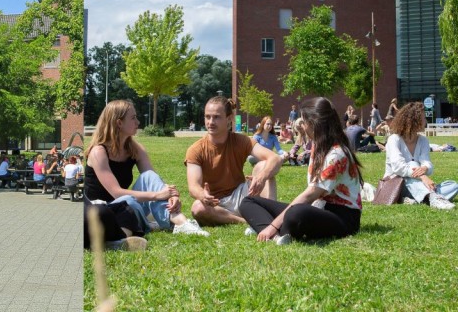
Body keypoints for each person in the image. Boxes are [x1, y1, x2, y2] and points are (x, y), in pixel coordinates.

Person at [239, 97, 364, 245]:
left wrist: (273, 225)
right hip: (319, 208)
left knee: (296, 213)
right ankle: (276, 236)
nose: (302, 126)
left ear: (314, 123)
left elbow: (310, 194)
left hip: (343, 217)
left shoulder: (336, 154)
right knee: (248, 202)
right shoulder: (318, 146)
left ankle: (269, 228)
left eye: (304, 122)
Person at [85, 99, 209, 236]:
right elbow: (116, 193)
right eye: (133, 118)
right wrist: (158, 195)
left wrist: (171, 195)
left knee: (148, 176)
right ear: (119, 123)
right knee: (130, 201)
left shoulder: (134, 149)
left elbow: (153, 181)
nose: (138, 122)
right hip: (102, 210)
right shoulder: (98, 152)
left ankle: (180, 222)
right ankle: (155, 223)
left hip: (126, 206)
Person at [186, 96, 282, 227]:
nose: (210, 122)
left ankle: (271, 218)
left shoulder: (241, 141)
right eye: (207, 117)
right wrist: (203, 195)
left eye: (216, 117)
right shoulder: (196, 149)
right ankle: (244, 221)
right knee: (198, 208)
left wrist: (261, 177)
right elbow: (193, 187)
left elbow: (274, 158)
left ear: (229, 119)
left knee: (264, 166)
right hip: (215, 202)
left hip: (242, 195)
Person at [384, 102, 457, 210]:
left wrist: (425, 168)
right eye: (423, 118)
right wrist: (422, 176)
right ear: (413, 120)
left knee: (453, 185)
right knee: (412, 164)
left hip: (416, 184)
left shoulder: (423, 140)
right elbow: (398, 167)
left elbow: (427, 163)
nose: (425, 122)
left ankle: (417, 198)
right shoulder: (394, 139)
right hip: (396, 185)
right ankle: (432, 197)